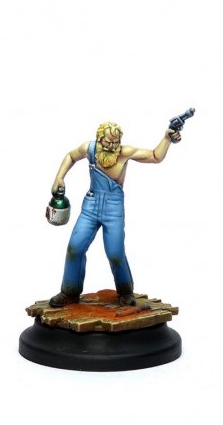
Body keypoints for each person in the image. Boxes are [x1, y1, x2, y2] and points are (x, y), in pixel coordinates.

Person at [49, 122, 181, 307]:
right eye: (107, 142)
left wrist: (167, 139)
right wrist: (59, 177)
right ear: (99, 139)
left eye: (115, 142)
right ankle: (69, 292)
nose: (111, 147)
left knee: (115, 252)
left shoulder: (124, 153)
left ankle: (126, 291)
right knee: (75, 247)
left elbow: (154, 156)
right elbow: (71, 156)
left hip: (113, 209)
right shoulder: (90, 149)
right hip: (90, 206)